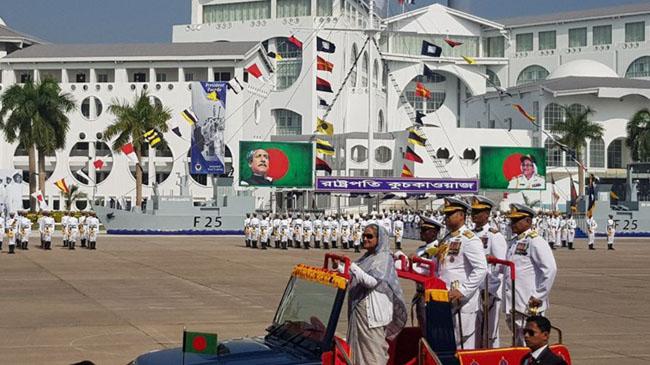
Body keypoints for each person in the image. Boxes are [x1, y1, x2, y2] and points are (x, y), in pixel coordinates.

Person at [346, 224, 407, 365]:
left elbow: (372, 282)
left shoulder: (384, 258)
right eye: (364, 236)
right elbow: (355, 273)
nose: (365, 239)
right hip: (361, 314)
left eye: (370, 236)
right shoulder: (367, 257)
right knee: (357, 353)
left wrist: (352, 267)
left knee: (373, 355)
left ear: (380, 239)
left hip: (373, 315)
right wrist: (341, 267)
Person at [436, 197, 488, 350]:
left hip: (462, 303)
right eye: (445, 215)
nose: (446, 218)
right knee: (449, 344)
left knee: (464, 346)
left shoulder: (469, 239)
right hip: (445, 298)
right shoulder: (446, 238)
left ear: (461, 215)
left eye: (450, 214)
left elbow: (481, 268)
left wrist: (463, 290)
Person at [504, 204, 558, 346]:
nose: (512, 224)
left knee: (530, 342)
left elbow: (550, 269)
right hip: (515, 302)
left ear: (528, 221)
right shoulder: (515, 242)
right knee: (519, 341)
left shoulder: (535, 241)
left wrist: (539, 295)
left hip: (529, 302)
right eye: (511, 221)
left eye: (516, 221)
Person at [471, 196, 507, 348]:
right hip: (475, 289)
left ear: (487, 214)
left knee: (490, 332)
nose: (474, 215)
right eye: (473, 211)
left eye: (478, 212)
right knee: (476, 330)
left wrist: (491, 289)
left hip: (489, 289)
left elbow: (501, 265)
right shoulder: (471, 234)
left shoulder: (494, 235)